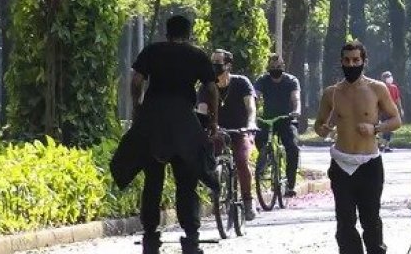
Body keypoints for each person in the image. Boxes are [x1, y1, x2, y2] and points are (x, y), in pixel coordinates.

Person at [109, 15, 218, 254]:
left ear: (166, 32)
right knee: (187, 181)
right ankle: (191, 238)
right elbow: (211, 89)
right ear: (189, 33)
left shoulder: (151, 51)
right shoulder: (197, 55)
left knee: (152, 180)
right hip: (183, 119)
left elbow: (137, 81)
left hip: (153, 119)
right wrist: (213, 121)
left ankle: (150, 237)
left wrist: (139, 110)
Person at [314, 41, 402, 254]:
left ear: (364, 62)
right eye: (347, 60)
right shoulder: (331, 93)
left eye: (356, 60)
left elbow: (396, 120)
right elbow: (319, 125)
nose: (351, 64)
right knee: (345, 221)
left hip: (369, 162)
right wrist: (324, 129)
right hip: (341, 163)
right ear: (341, 62)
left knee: (371, 218)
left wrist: (375, 128)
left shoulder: (377, 89)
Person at [210, 49, 258, 220]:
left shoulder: (241, 83)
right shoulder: (207, 85)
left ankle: (247, 200)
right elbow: (201, 108)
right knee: (207, 157)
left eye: (218, 63)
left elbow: (251, 107)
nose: (215, 66)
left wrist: (250, 124)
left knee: (241, 160)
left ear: (228, 65)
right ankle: (215, 190)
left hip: (240, 131)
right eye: (212, 62)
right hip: (218, 131)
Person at [255, 54, 302, 197]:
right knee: (259, 138)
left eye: (278, 67)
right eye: (273, 67)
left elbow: (296, 99)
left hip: (286, 119)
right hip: (268, 120)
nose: (276, 69)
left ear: (283, 66)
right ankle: (267, 158)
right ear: (268, 68)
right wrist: (252, 110)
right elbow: (255, 97)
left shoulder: (291, 81)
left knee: (292, 148)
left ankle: (290, 185)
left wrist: (296, 111)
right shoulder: (263, 80)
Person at [378, 71, 402, 152]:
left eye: (390, 76)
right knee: (384, 126)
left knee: (390, 128)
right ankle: (382, 144)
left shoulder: (394, 87)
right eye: (387, 76)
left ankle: (386, 145)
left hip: (392, 110)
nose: (390, 78)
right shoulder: (381, 88)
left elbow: (397, 99)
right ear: (383, 78)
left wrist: (400, 109)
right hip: (383, 110)